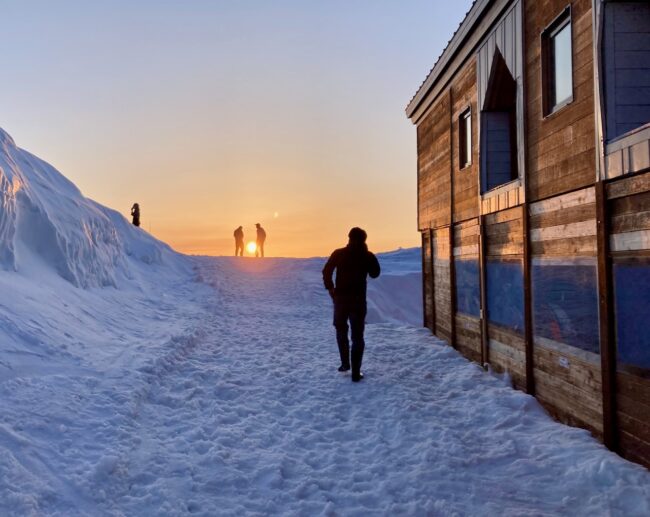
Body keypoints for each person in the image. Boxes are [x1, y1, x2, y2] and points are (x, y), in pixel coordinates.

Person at [322, 227, 380, 382]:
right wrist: (368, 256)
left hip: (340, 299)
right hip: (358, 300)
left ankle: (345, 363)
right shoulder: (367, 256)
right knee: (357, 336)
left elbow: (327, 270)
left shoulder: (339, 253)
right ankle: (356, 373)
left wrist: (330, 288)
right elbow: (375, 273)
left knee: (341, 329)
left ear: (348, 238)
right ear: (364, 240)